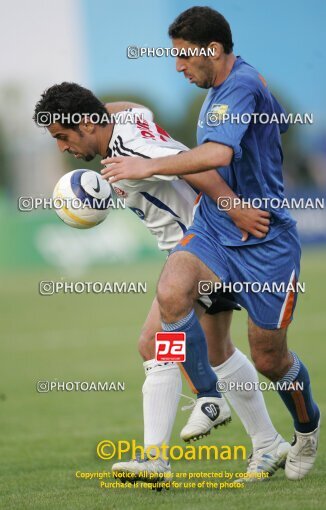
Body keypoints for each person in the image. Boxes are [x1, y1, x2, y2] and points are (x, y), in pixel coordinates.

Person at [100, 7, 320, 481]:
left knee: (268, 358)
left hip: (263, 237)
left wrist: (146, 166)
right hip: (216, 231)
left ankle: (305, 428)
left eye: (183, 57)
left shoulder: (238, 86)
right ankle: (208, 399)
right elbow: (274, 121)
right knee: (172, 289)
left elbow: (218, 154)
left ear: (213, 51)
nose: (178, 67)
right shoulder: (234, 84)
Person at [34, 82, 290, 482]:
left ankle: (159, 456)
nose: (62, 147)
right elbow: (137, 106)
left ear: (86, 124)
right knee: (219, 351)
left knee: (155, 344)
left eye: (62, 136)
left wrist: (234, 208)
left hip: (198, 252)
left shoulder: (129, 148)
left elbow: (196, 163)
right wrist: (90, 109)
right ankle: (267, 442)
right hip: (197, 250)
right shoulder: (124, 121)